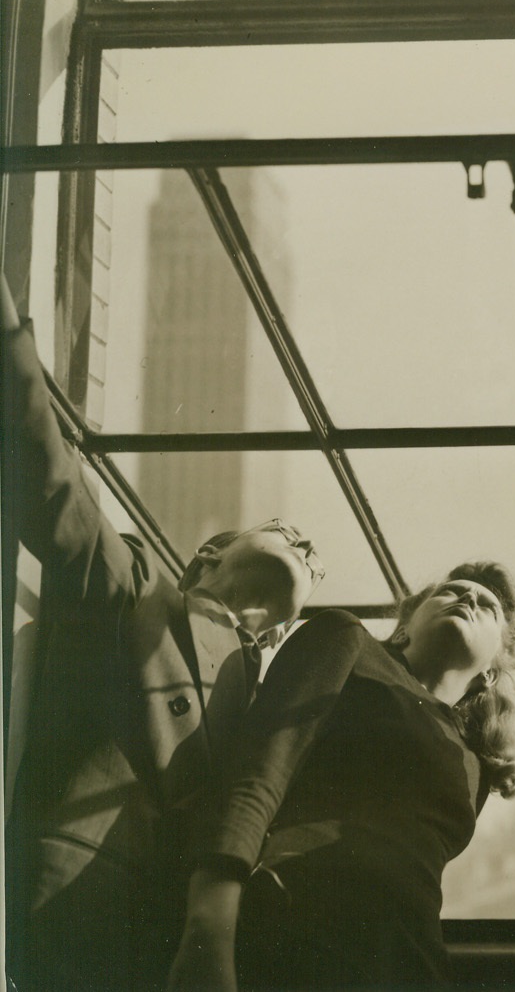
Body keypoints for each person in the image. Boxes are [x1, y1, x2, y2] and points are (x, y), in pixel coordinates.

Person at [2, 276, 325, 991]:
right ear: (207, 556)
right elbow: (51, 481)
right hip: (68, 915)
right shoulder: (142, 593)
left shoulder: (283, 706)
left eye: (315, 562)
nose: (308, 550)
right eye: (288, 534)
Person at [167, 561, 515, 991]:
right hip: (298, 922)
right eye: (449, 591)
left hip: (410, 960)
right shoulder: (349, 640)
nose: (468, 598)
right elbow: (260, 773)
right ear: (405, 626)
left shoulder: (475, 765)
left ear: (490, 672)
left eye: (487, 606)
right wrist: (209, 923)